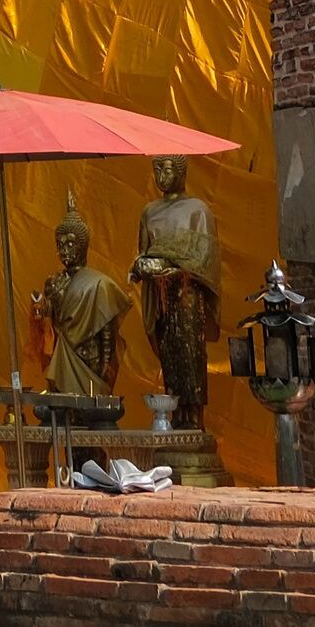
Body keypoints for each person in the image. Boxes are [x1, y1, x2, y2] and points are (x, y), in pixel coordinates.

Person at [129, 154, 220, 426]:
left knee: (191, 358)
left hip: (188, 298)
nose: (161, 176)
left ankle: (194, 419)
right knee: (170, 360)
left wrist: (174, 266)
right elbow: (143, 253)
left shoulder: (197, 210)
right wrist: (145, 267)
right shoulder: (149, 212)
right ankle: (175, 416)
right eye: (156, 170)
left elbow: (205, 257)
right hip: (162, 298)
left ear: (181, 172)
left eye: (166, 169)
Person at [31, 193, 130, 406]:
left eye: (70, 244)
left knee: (90, 407)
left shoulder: (99, 284)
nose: (64, 251)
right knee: (64, 407)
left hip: (89, 357)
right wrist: (39, 308)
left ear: (83, 246)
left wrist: (105, 363)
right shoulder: (54, 282)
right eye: (60, 244)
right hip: (63, 355)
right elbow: (48, 321)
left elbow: (106, 329)